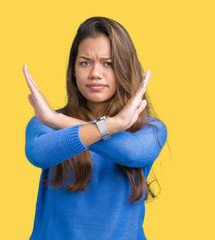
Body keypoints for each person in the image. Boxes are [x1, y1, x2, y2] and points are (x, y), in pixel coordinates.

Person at [23, 17, 167, 240]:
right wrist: (114, 124)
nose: (95, 73)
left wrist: (57, 120)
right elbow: (38, 154)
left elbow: (134, 152)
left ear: (124, 68)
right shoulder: (44, 123)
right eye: (85, 62)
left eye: (108, 63)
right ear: (72, 69)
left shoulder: (149, 130)